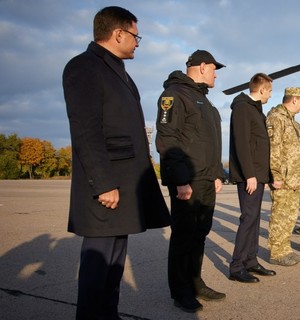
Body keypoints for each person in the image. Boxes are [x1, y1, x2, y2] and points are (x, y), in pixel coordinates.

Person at [62, 6, 171, 319]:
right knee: (99, 264)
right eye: (136, 36)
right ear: (118, 33)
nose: (138, 42)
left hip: (123, 183)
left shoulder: (120, 72)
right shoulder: (84, 67)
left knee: (114, 264)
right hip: (106, 185)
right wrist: (104, 183)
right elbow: (85, 130)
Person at [156, 49, 227, 312]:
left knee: (200, 235)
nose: (216, 74)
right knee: (184, 237)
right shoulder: (175, 95)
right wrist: (180, 180)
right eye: (214, 68)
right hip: (189, 180)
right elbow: (167, 139)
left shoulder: (204, 101)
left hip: (207, 179)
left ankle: (196, 281)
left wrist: (218, 174)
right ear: (201, 66)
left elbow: (212, 143)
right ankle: (180, 290)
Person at [228, 73, 277, 283]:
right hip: (250, 176)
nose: (270, 95)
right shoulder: (242, 108)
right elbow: (242, 143)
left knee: (255, 219)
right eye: (270, 91)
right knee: (248, 219)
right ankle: (237, 266)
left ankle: (251, 261)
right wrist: (249, 175)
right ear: (262, 89)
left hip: (258, 175)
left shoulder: (256, 110)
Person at [266, 87, 300, 266]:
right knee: (280, 216)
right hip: (282, 178)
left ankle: (285, 248)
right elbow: (273, 148)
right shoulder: (276, 118)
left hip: (294, 179)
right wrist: (275, 175)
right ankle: (276, 252)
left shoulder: (294, 123)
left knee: (290, 217)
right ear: (295, 99)